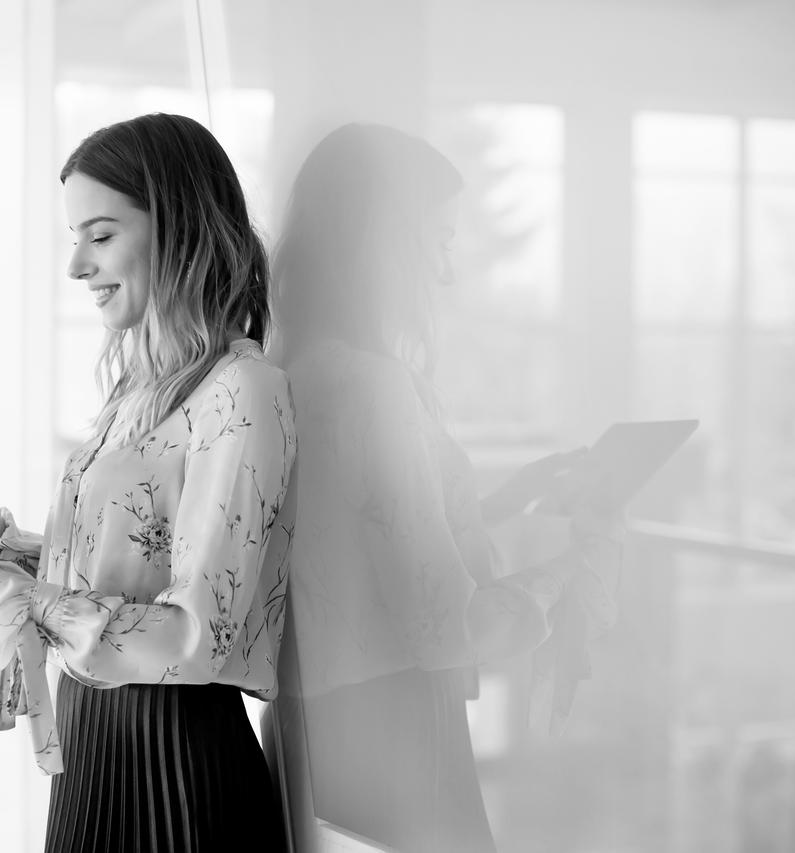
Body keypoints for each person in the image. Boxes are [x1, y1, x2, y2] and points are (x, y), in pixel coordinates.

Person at [0, 113, 296, 853]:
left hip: (177, 769)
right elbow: (122, 576)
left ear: (178, 229)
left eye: (99, 236)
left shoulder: (245, 391)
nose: (77, 266)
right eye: (75, 238)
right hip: (94, 747)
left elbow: (193, 635)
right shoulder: (140, 386)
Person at [265, 123, 624, 852]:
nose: (448, 270)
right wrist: (569, 575)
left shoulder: (287, 374)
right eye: (441, 239)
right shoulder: (374, 386)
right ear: (385, 243)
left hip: (313, 730)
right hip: (397, 740)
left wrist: (505, 497)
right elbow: (451, 624)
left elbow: (357, 543)